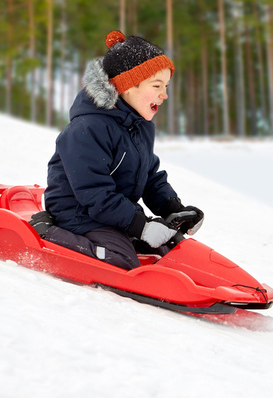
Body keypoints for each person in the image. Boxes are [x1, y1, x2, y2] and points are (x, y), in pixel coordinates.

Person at [30, 30, 204, 271]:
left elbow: (149, 177)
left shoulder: (141, 126)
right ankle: (47, 233)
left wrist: (173, 209)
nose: (164, 95)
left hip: (114, 212)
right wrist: (139, 226)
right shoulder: (87, 129)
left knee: (171, 246)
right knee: (120, 260)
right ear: (128, 86)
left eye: (166, 86)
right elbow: (94, 193)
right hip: (79, 214)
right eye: (157, 86)